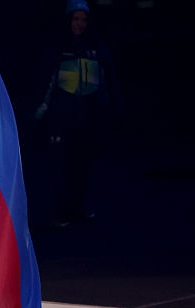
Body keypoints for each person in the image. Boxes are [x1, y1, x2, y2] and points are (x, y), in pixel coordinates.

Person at [34, 0, 116, 227]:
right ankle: (60, 212)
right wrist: (42, 112)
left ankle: (78, 209)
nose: (79, 24)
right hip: (62, 116)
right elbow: (46, 81)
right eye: (75, 19)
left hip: (88, 116)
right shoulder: (58, 47)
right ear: (68, 20)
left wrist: (107, 108)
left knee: (83, 165)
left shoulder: (96, 47)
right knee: (61, 165)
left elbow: (106, 79)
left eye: (83, 19)